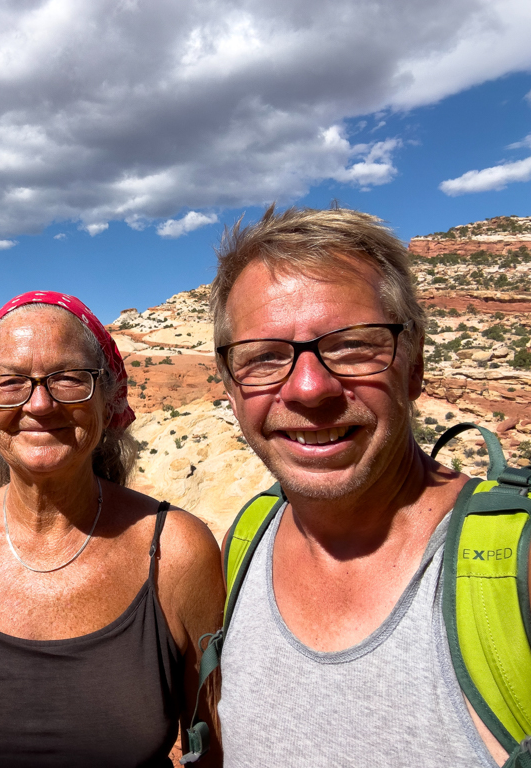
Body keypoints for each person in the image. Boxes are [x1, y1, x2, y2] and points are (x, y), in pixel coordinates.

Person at [211, 204, 530, 767]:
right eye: (263, 357)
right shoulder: (242, 546)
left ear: (414, 365)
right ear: (232, 390)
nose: (310, 389)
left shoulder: (518, 569)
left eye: (352, 345)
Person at [0, 291, 224, 768]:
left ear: (106, 392)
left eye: (68, 378)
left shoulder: (177, 551)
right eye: (11, 382)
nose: (39, 404)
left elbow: (213, 752)